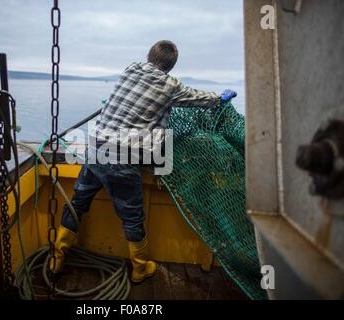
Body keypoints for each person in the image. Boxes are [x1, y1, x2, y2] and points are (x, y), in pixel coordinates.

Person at [51, 40, 237, 283]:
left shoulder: (130, 69)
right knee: (132, 217)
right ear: (171, 66)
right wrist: (219, 98)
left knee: (78, 202)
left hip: (96, 148)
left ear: (149, 56)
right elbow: (198, 98)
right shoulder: (172, 86)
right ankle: (140, 268)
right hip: (124, 159)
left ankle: (57, 257)